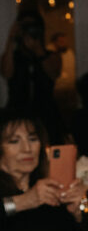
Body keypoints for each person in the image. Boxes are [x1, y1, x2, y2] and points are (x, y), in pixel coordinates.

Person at [2, 13, 64, 143]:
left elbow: (54, 74)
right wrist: (11, 39)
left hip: (46, 113)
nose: (29, 31)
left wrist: (38, 49)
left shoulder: (51, 56)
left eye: (33, 27)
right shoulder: (14, 56)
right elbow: (6, 73)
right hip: (17, 111)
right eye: (25, 27)